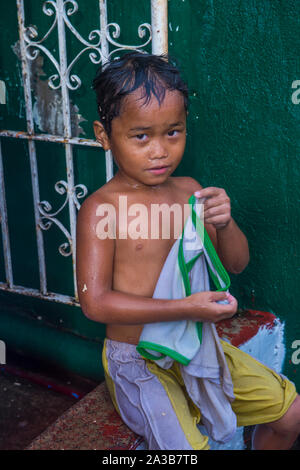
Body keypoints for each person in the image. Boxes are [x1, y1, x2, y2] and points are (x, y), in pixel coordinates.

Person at [76, 52, 300, 450]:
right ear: (104, 134)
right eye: (141, 136)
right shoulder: (102, 208)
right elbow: (96, 304)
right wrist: (187, 308)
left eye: (173, 132)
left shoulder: (189, 190)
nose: (160, 150)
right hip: (138, 361)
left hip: (196, 342)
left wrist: (225, 222)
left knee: (292, 414)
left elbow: (235, 264)